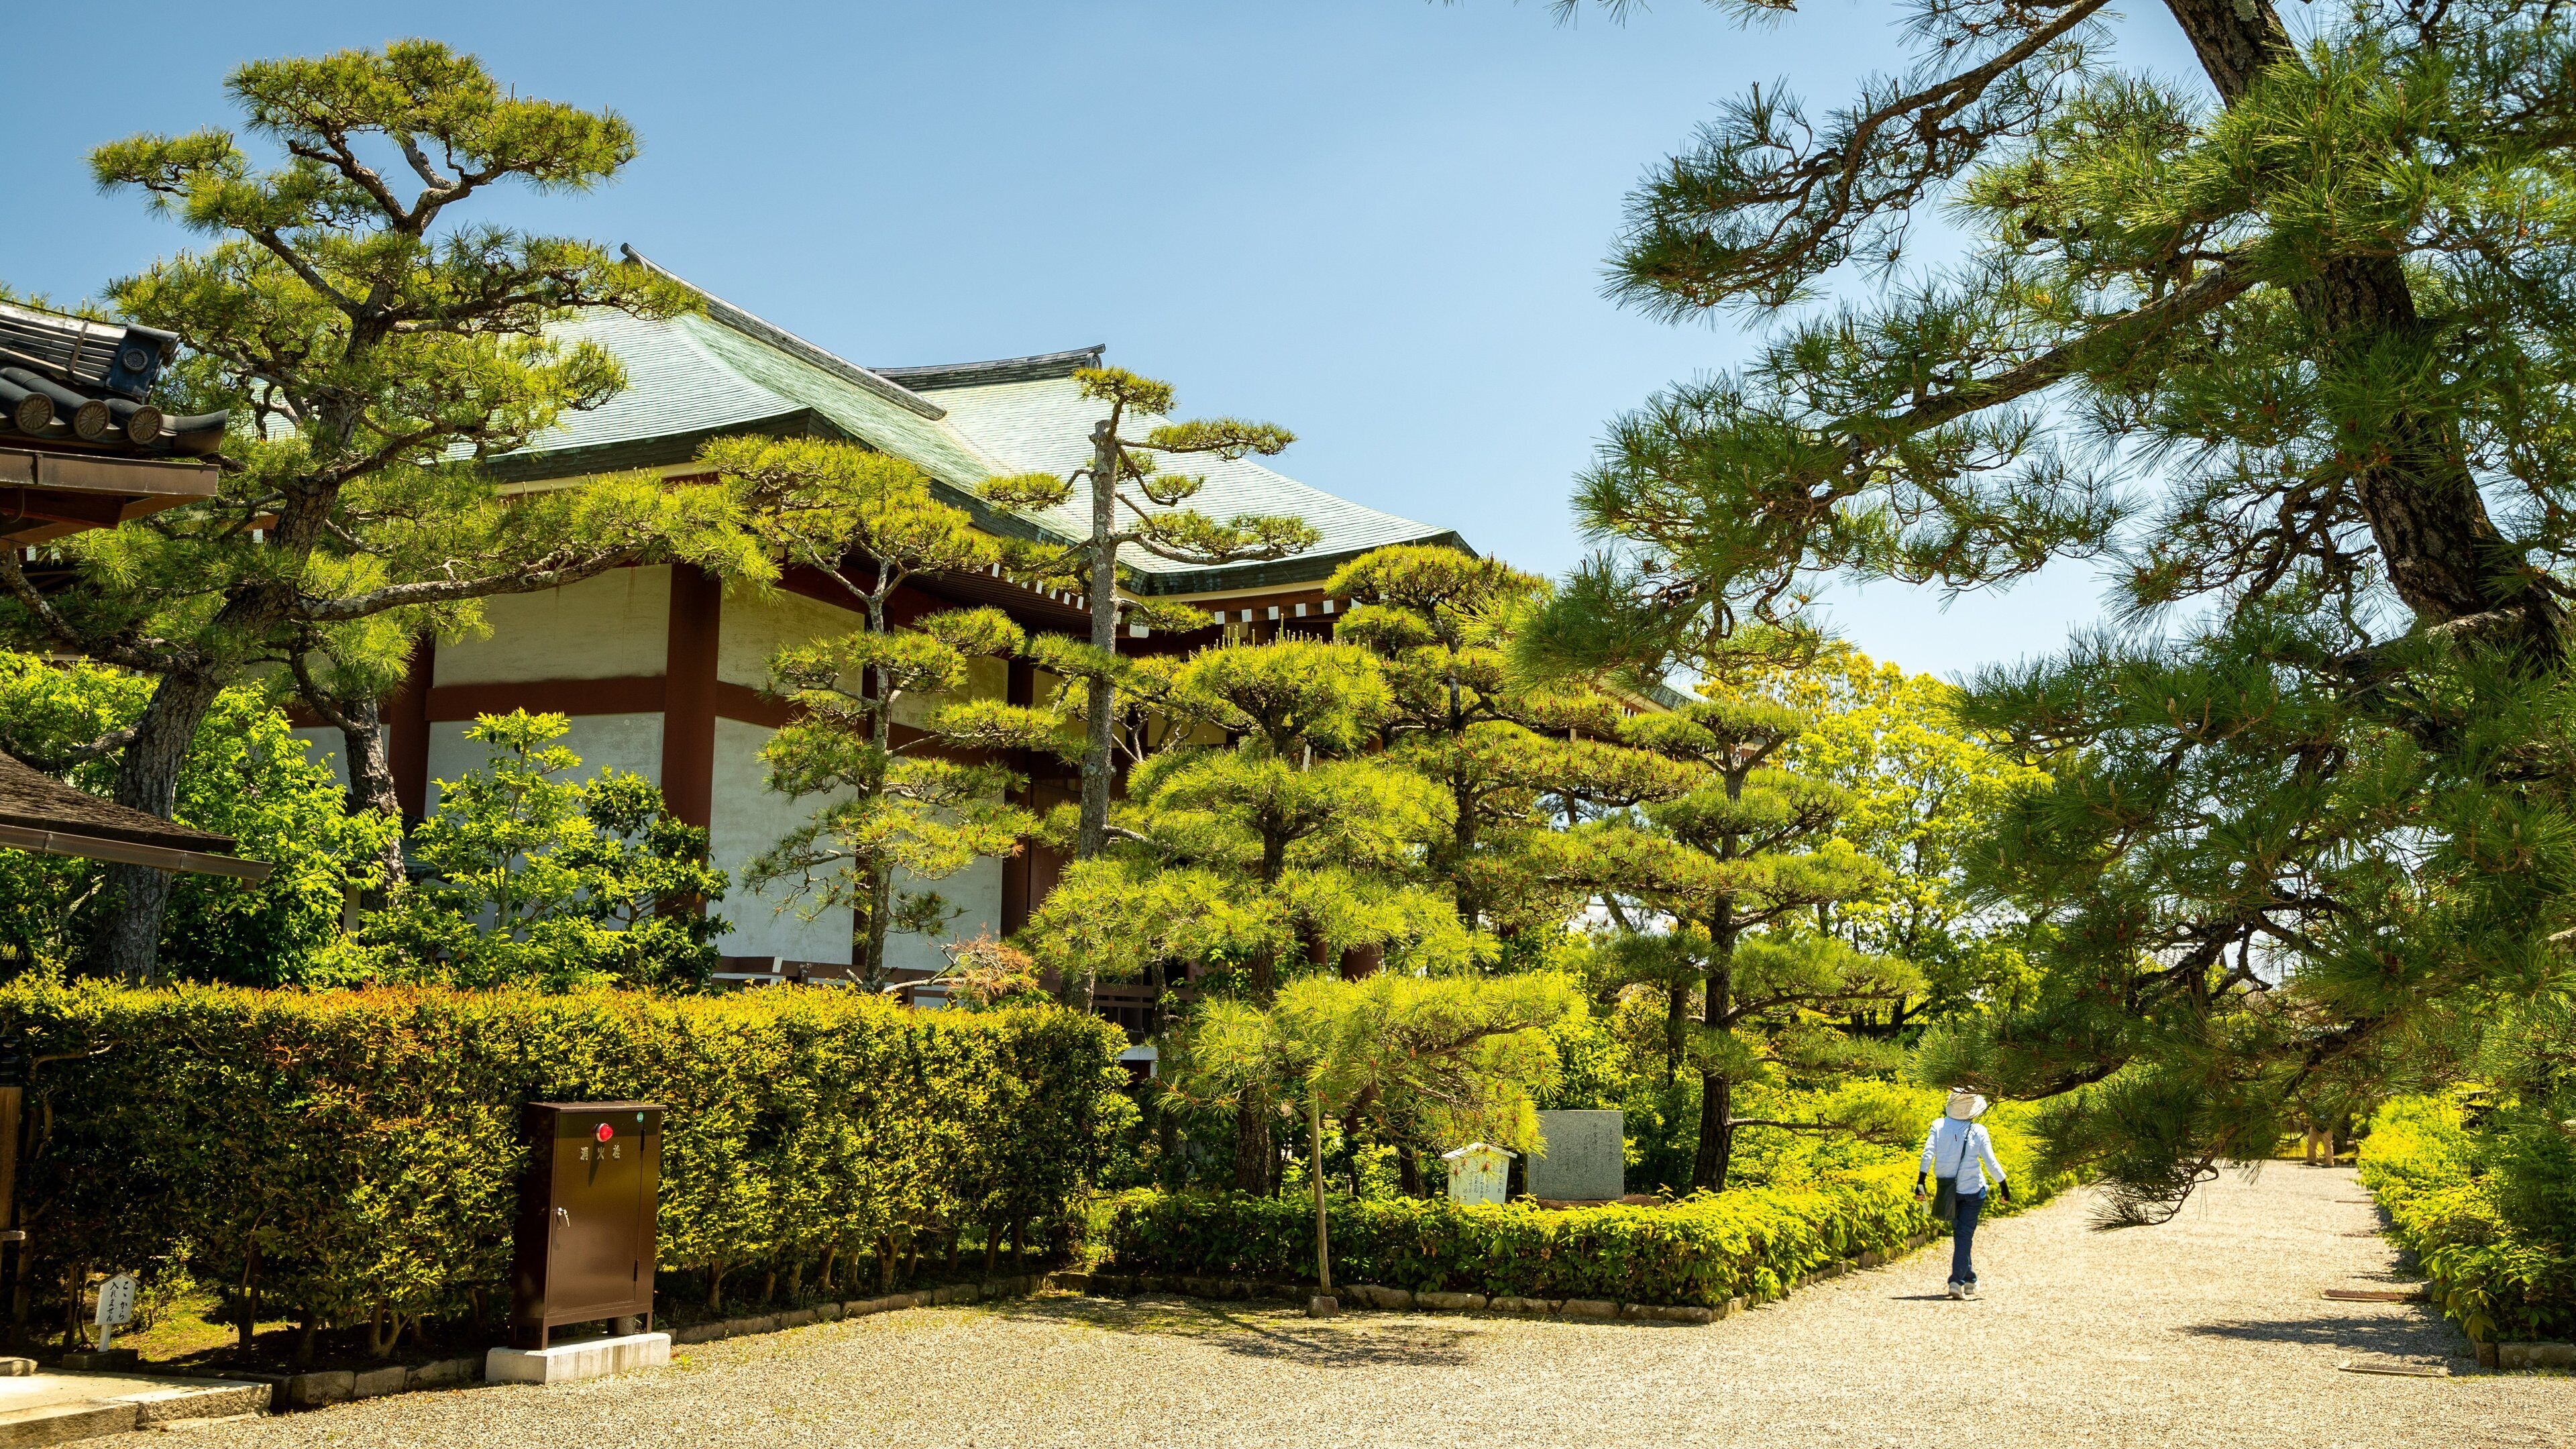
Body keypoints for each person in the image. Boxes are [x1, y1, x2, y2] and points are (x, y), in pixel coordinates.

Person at [1916, 1087, 2010, 1300]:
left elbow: (1927, 1154)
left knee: (1961, 1236)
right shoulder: (1979, 1131)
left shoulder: (1938, 1125)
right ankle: (1957, 1282)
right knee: (1963, 1236)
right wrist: (2004, 1187)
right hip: (1973, 1191)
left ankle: (1970, 1280)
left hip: (1947, 1190)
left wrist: (1920, 1183)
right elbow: (1991, 1162)